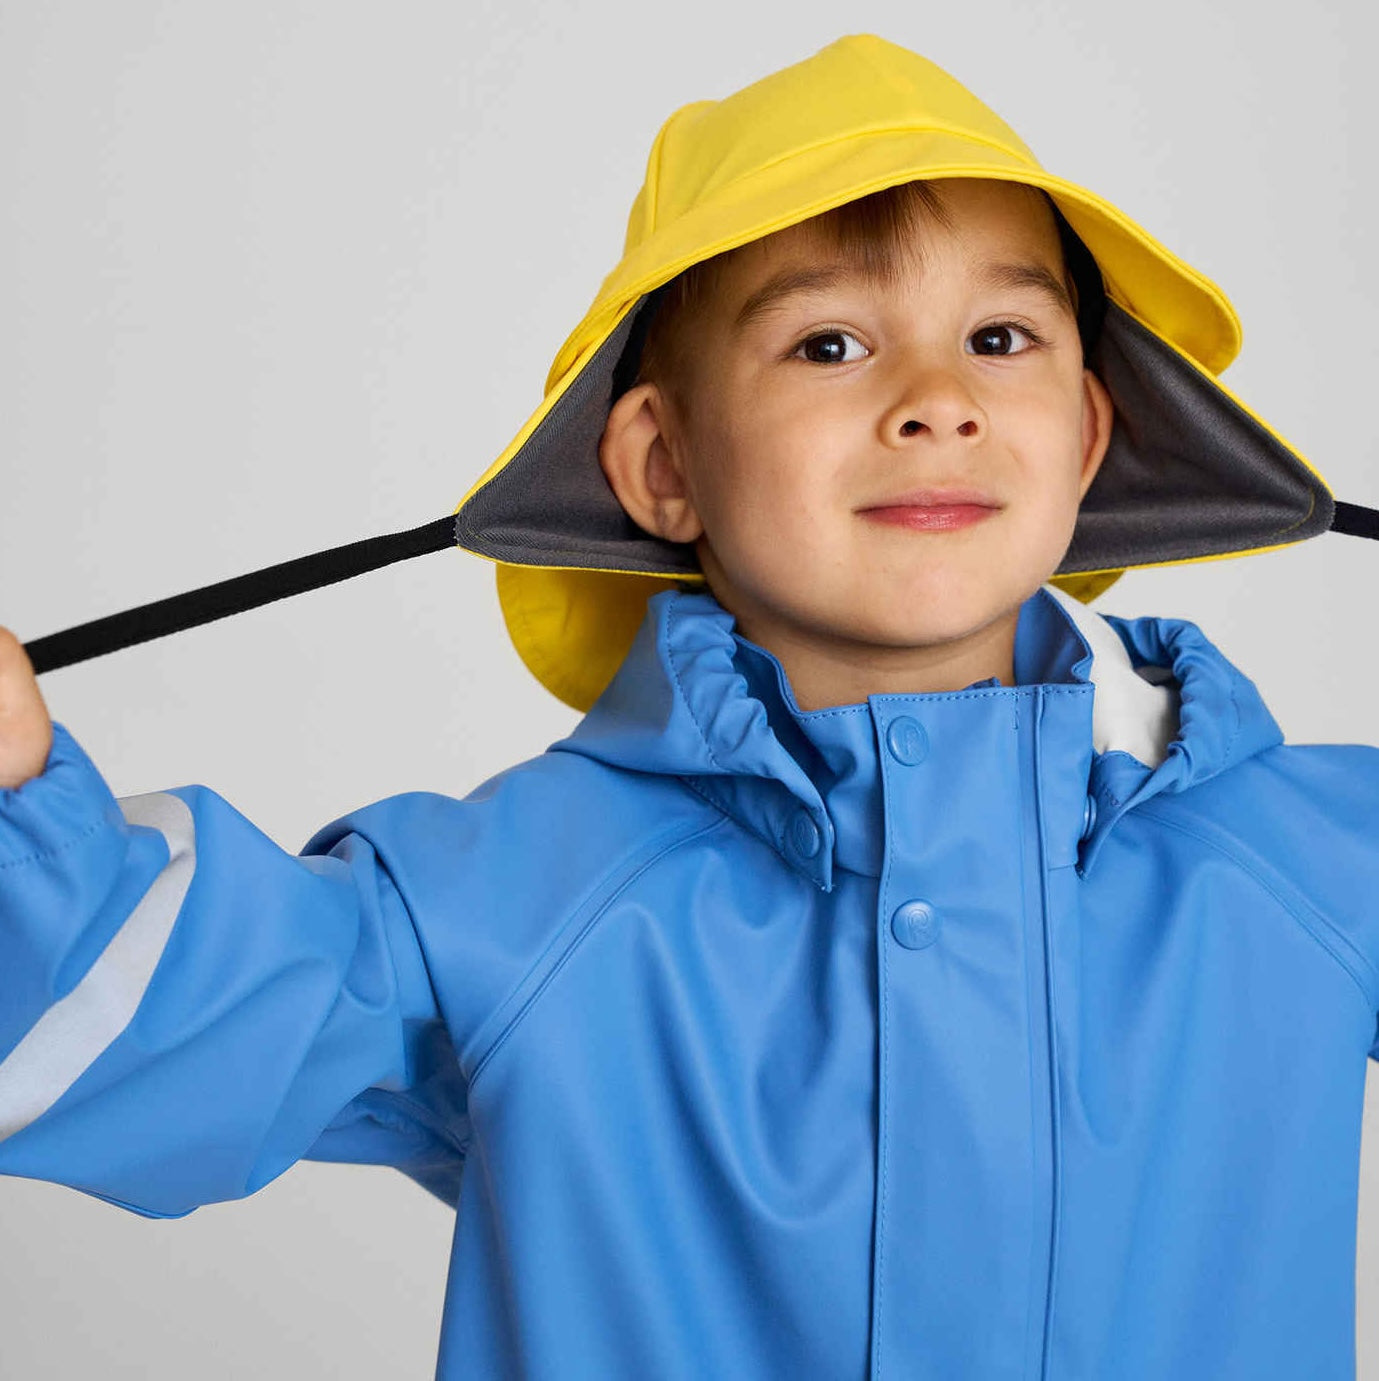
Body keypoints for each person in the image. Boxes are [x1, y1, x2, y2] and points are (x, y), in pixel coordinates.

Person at [1, 31, 1374, 1380]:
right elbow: (146, 1015)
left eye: (998, 336)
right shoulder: (515, 899)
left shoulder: (1309, 857)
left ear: (1084, 434)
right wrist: (11, 796)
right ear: (664, 465)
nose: (938, 402)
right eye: (831, 344)